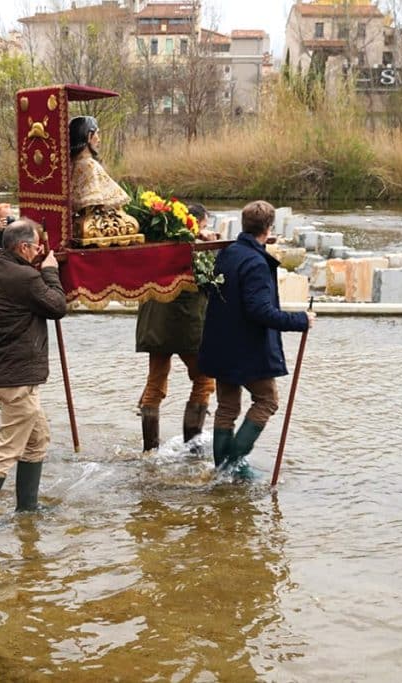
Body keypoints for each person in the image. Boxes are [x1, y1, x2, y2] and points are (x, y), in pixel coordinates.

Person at [0, 219, 67, 531]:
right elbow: (58, 306)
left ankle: (27, 509)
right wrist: (50, 271)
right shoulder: (24, 276)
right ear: (23, 247)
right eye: (36, 247)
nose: (40, 251)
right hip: (17, 377)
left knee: (38, 439)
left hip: (8, 371)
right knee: (7, 449)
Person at [198, 200, 316, 476]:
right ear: (268, 228)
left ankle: (223, 470)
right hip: (246, 349)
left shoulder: (227, 254)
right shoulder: (256, 263)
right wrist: (301, 320)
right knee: (267, 401)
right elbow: (260, 311)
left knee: (227, 407)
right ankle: (232, 465)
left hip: (219, 344)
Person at [135, 203, 219, 453]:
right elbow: (210, 278)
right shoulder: (197, 248)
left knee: (155, 383)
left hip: (154, 325)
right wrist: (211, 247)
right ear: (199, 224)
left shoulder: (157, 242)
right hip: (186, 326)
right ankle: (193, 446)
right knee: (204, 381)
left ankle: (150, 450)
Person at [68, 116, 139, 239]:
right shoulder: (89, 165)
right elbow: (96, 201)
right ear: (89, 136)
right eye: (97, 134)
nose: (99, 139)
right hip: (90, 226)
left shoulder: (71, 163)